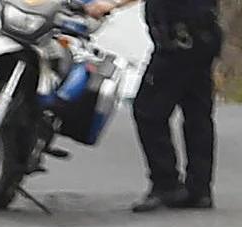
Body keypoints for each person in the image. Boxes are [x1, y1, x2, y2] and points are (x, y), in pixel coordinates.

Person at [90, 0, 217, 212]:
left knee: (147, 110)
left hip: (180, 38)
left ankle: (166, 184)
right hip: (202, 32)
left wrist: (110, 4)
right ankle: (199, 189)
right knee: (197, 112)